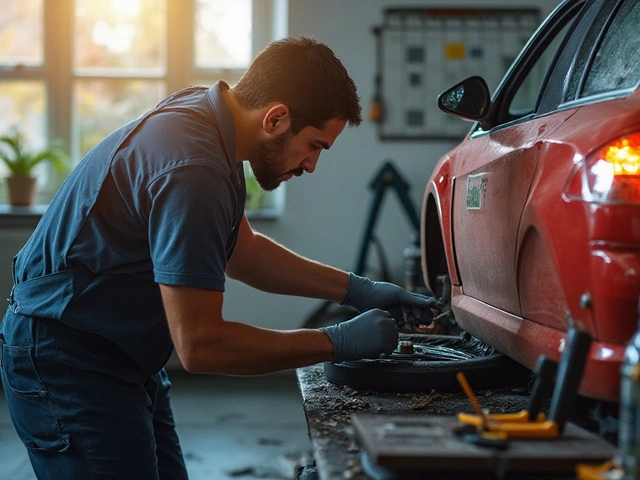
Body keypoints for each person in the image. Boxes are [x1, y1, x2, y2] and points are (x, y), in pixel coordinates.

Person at [0, 36, 440, 479]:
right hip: (66, 359)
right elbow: (200, 345)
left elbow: (242, 251)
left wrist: (359, 290)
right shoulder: (195, 166)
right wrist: (337, 341)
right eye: (315, 145)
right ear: (276, 118)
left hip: (118, 352)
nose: (311, 165)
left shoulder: (208, 121)